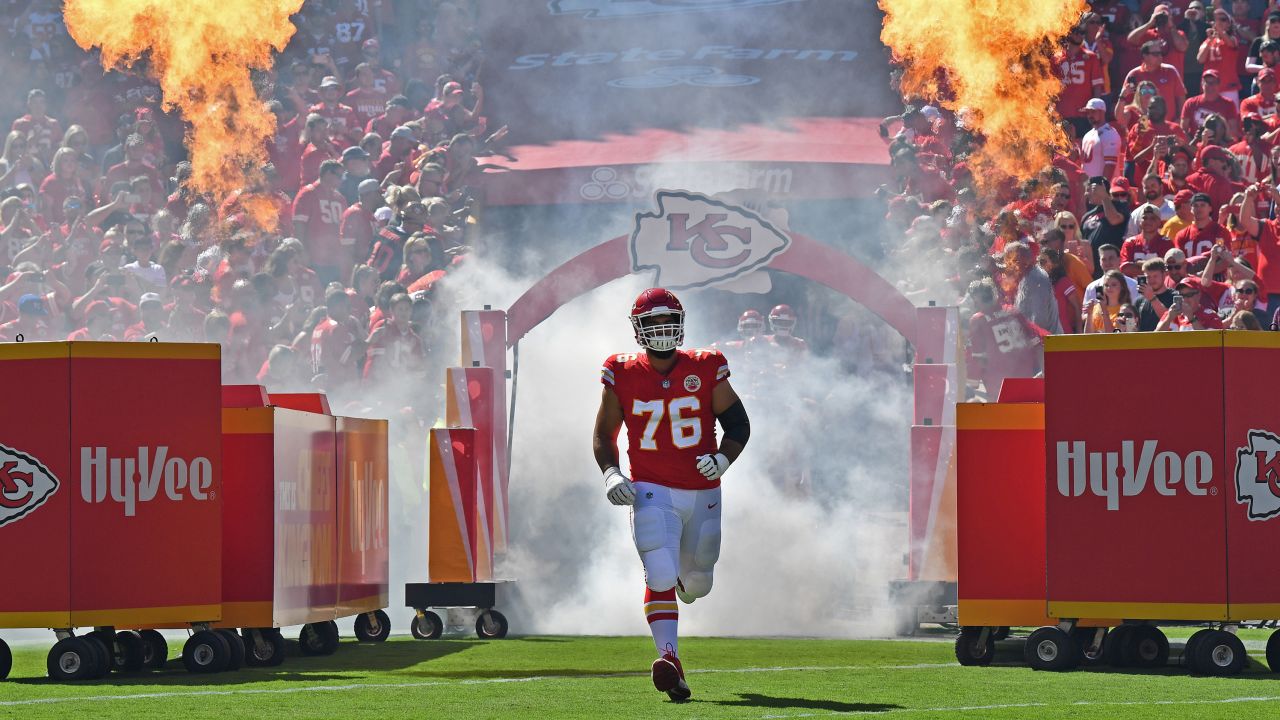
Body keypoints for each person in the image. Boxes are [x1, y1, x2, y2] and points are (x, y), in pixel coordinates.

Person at [592, 288, 750, 702]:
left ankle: (686, 581)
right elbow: (604, 433)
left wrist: (723, 459)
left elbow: (738, 425)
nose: (662, 330)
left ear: (680, 324)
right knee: (659, 572)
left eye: (668, 321)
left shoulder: (706, 365)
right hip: (651, 488)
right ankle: (670, 659)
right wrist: (611, 473)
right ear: (638, 328)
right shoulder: (621, 371)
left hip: (702, 490)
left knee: (699, 582)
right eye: (653, 322)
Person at [1156, 275, 1225, 329]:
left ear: (1199, 295)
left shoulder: (1211, 316)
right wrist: (1169, 319)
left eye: (1189, 295)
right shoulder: (1171, 314)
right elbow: (1154, 338)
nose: (1185, 299)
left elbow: (1210, 342)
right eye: (1181, 295)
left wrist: (1191, 318)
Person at [1079, 98, 1122, 179]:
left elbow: (1110, 165)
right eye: (1088, 112)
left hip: (1103, 188)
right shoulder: (1087, 135)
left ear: (1102, 112)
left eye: (1093, 112)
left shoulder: (1110, 134)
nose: (1089, 115)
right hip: (1089, 186)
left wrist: (1103, 186)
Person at [1135, 257, 1176, 330]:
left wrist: (1152, 298)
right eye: (1148, 277)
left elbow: (1172, 320)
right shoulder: (1140, 301)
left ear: (1164, 275)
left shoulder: (1174, 296)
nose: (1151, 280)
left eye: (1155, 276)